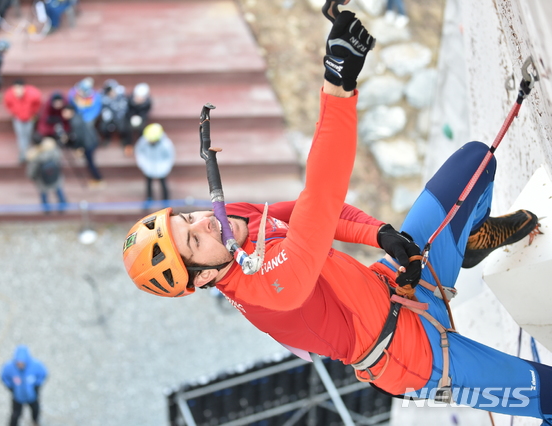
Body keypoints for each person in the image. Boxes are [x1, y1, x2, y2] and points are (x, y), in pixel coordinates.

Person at [122, 4, 552, 423]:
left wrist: (381, 234)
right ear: (204, 278)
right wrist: (337, 88)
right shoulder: (268, 290)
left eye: (187, 219)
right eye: (194, 240)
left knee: (474, 164)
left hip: (397, 284)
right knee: (548, 395)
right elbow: (322, 196)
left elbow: (313, 213)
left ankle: (471, 243)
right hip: (411, 358)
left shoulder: (230, 221)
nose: (204, 223)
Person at [0, 345, 48, 426]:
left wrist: (37, 385)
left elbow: (44, 373)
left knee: (35, 410)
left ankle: (35, 421)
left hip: (32, 395)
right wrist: (10, 387)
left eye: (22, 363)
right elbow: (3, 376)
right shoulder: (10, 367)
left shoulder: (35, 366)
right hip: (17, 396)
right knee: (15, 414)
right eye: (18, 363)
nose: (20, 365)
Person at [60, 105, 104, 187]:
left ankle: (98, 179)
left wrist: (77, 148)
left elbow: (78, 137)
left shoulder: (75, 121)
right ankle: (97, 179)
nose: (63, 114)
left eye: (65, 112)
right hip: (91, 141)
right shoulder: (77, 118)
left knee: (90, 163)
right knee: (90, 162)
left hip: (88, 144)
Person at [134, 123, 175, 206]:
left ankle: (165, 200)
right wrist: (143, 164)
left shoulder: (166, 144)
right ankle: (149, 198)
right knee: (148, 183)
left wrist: (165, 167)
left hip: (161, 167)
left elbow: (170, 156)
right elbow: (139, 152)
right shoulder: (143, 141)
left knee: (163, 183)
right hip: (149, 166)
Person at [3, 79, 42, 164]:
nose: (18, 92)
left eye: (20, 89)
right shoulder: (9, 95)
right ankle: (24, 154)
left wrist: (33, 113)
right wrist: (14, 113)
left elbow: (37, 103)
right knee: (21, 135)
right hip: (18, 118)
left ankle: (26, 152)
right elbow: (8, 105)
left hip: (29, 118)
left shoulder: (33, 94)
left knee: (28, 134)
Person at [26, 135, 67, 213]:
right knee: (58, 190)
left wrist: (32, 177)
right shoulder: (51, 148)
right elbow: (59, 158)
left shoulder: (34, 154)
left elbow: (32, 170)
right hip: (55, 175)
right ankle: (62, 206)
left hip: (42, 179)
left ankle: (46, 210)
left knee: (43, 194)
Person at [97, 79, 130, 147]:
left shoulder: (121, 97)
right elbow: (101, 106)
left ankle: (124, 139)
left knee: (123, 128)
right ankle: (107, 138)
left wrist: (117, 115)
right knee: (103, 127)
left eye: (113, 91)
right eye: (109, 91)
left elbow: (124, 107)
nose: (111, 93)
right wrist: (105, 112)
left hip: (119, 116)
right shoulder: (103, 96)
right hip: (108, 116)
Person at [125, 82, 153, 156]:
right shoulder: (130, 100)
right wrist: (132, 116)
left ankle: (141, 144)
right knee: (128, 129)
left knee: (142, 130)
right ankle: (128, 144)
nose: (139, 99)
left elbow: (145, 113)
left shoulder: (147, 103)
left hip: (141, 118)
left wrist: (140, 117)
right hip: (131, 117)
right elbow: (128, 111)